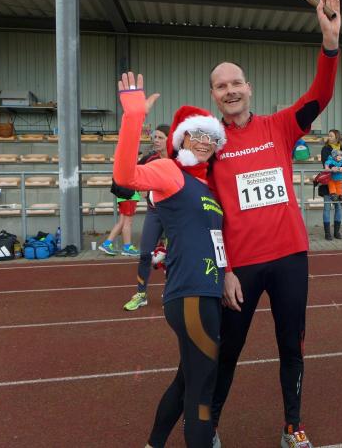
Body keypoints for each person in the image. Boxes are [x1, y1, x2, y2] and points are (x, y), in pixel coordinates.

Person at [208, 0, 341, 448]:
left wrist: (329, 42)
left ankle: (292, 426)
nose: (230, 91)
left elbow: (320, 95)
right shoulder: (208, 144)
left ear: (249, 88)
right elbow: (206, 215)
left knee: (292, 346)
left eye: (236, 83)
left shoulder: (279, 127)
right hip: (240, 267)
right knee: (228, 349)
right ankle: (209, 424)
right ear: (214, 96)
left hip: (289, 258)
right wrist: (224, 269)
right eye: (221, 86)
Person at [112, 71, 228, 448]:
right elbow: (125, 176)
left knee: (186, 381)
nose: (205, 142)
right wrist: (134, 118)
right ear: (182, 138)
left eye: (211, 136)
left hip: (207, 293)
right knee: (202, 391)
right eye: (198, 134)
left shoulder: (208, 185)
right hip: (191, 293)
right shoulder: (170, 170)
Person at [123, 124, 170, 311]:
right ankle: (141, 294)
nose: (156, 141)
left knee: (174, 255)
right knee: (145, 254)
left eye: (160, 137)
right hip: (154, 212)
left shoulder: (179, 159)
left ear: (169, 139)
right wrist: (141, 187)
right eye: (154, 137)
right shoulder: (149, 159)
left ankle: (170, 292)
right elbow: (131, 174)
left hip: (175, 214)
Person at [320, 129, 342, 240]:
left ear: (337, 137)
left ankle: (337, 232)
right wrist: (332, 168)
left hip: (339, 182)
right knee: (327, 207)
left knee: (338, 207)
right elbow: (325, 162)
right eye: (329, 136)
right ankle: (327, 233)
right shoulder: (325, 149)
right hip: (328, 181)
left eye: (331, 136)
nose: (329, 137)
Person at [99, 181, 140, 257]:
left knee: (122, 222)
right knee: (128, 223)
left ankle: (106, 244)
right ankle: (127, 247)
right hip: (129, 196)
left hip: (124, 196)